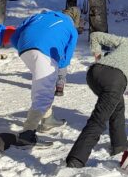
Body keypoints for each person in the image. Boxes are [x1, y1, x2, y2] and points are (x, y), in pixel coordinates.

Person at [65, 33, 128, 168]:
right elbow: (123, 88)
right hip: (115, 82)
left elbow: (95, 35)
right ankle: (76, 158)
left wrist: (97, 55)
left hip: (93, 73)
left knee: (118, 105)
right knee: (99, 119)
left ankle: (119, 144)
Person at [11, 7, 80, 142]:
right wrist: (59, 75)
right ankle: (27, 133)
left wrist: (24, 48)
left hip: (24, 48)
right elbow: (66, 57)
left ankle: (48, 120)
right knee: (44, 93)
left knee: (43, 85)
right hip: (45, 52)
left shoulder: (38, 16)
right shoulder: (71, 28)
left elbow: (14, 36)